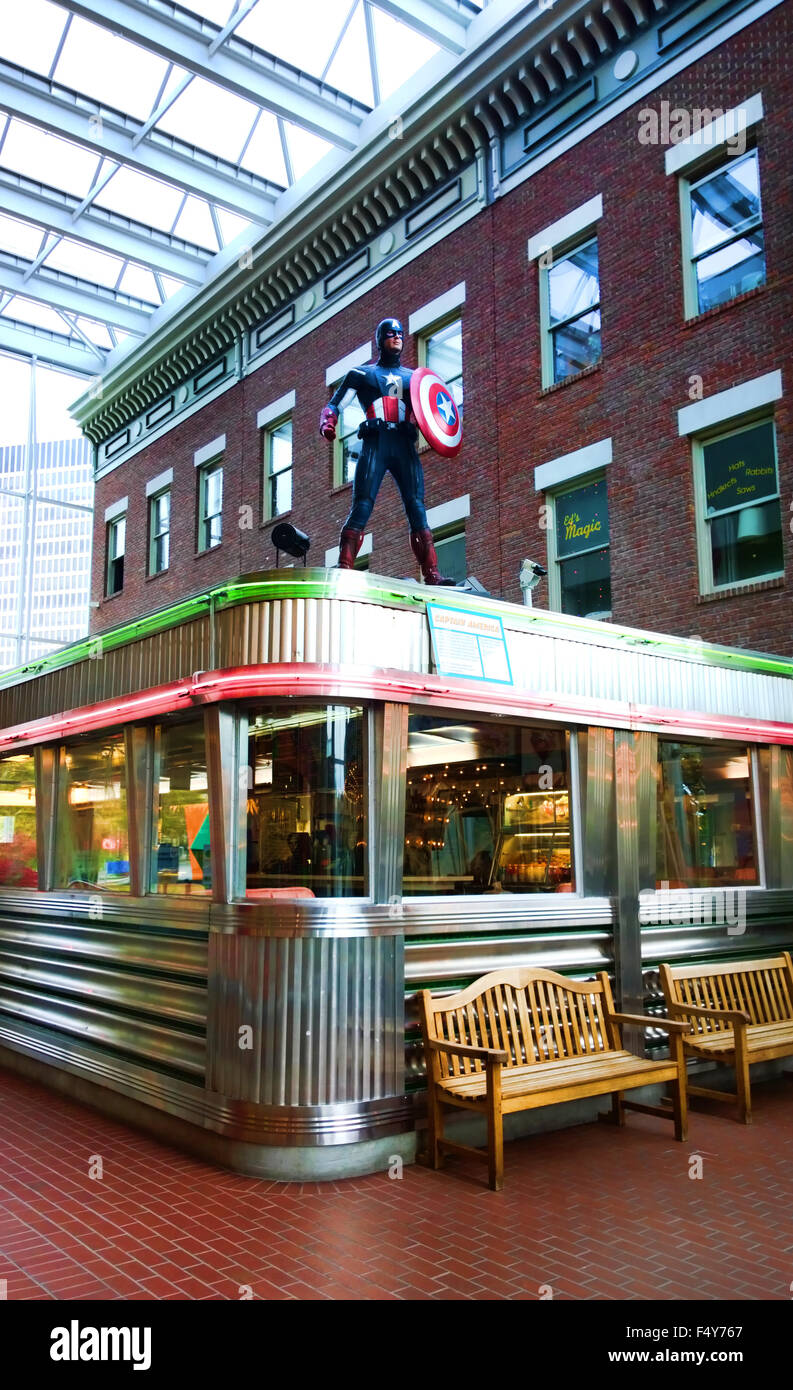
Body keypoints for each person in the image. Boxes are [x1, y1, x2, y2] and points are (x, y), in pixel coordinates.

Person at [319, 317, 455, 584]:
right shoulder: (362, 375)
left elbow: (434, 409)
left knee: (417, 507)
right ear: (380, 339)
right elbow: (335, 404)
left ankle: (432, 573)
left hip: (403, 444)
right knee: (363, 504)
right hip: (376, 442)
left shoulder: (415, 379)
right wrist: (328, 423)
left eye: (400, 334)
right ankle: (344, 564)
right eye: (391, 333)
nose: (397, 337)